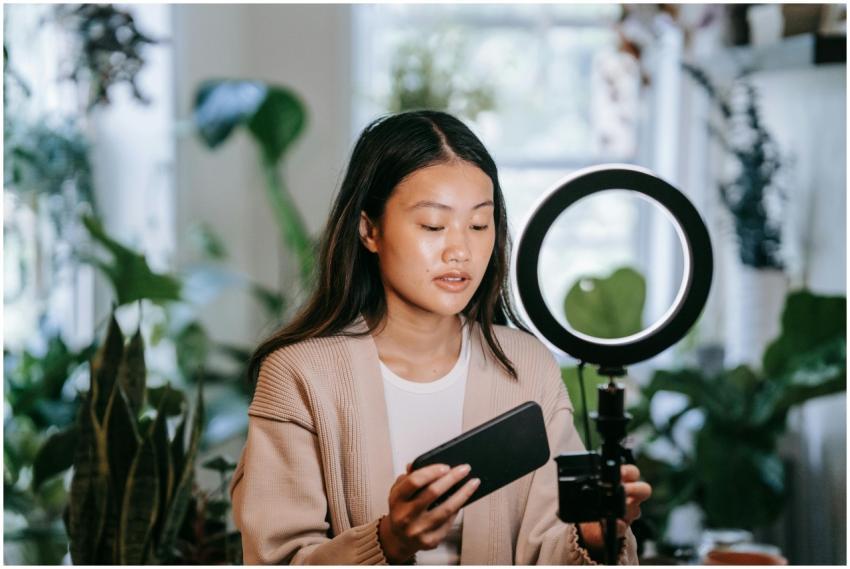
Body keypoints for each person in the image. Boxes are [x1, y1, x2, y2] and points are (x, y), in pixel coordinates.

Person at [230, 110, 652, 565]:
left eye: (478, 225)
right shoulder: (300, 376)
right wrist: (389, 541)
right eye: (433, 225)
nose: (460, 251)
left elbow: (547, 547)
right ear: (369, 229)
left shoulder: (526, 365)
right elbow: (276, 559)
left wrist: (590, 537)